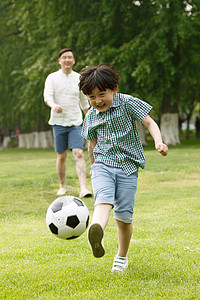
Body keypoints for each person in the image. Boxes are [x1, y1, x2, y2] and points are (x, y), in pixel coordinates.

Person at [79, 63, 168, 273]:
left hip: (128, 167)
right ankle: (97, 230)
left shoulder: (127, 102)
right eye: (92, 97)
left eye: (102, 94)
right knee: (103, 201)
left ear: (114, 89)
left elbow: (149, 122)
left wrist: (159, 142)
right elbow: (91, 144)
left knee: (124, 217)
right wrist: (93, 166)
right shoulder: (91, 115)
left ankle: (121, 256)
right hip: (103, 164)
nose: (98, 101)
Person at [43, 48, 92, 198]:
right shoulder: (52, 77)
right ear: (59, 61)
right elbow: (47, 96)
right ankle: (62, 186)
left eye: (70, 57)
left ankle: (83, 188)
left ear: (74, 61)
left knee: (78, 153)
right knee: (61, 156)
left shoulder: (79, 78)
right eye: (64, 57)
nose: (67, 60)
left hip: (75, 122)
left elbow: (84, 102)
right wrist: (53, 106)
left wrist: (90, 119)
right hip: (58, 122)